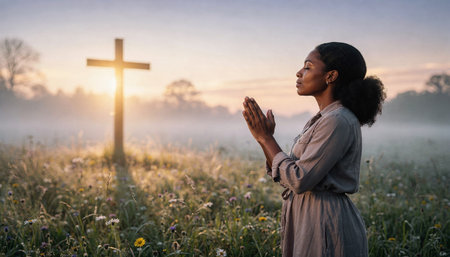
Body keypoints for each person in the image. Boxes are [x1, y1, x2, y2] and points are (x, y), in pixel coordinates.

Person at [242, 42, 385, 257]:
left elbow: (299, 179)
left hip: (325, 221)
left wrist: (266, 137)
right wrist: (264, 141)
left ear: (331, 76)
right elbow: (287, 175)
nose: (299, 72)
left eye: (308, 67)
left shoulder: (338, 120)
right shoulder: (324, 119)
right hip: (308, 216)